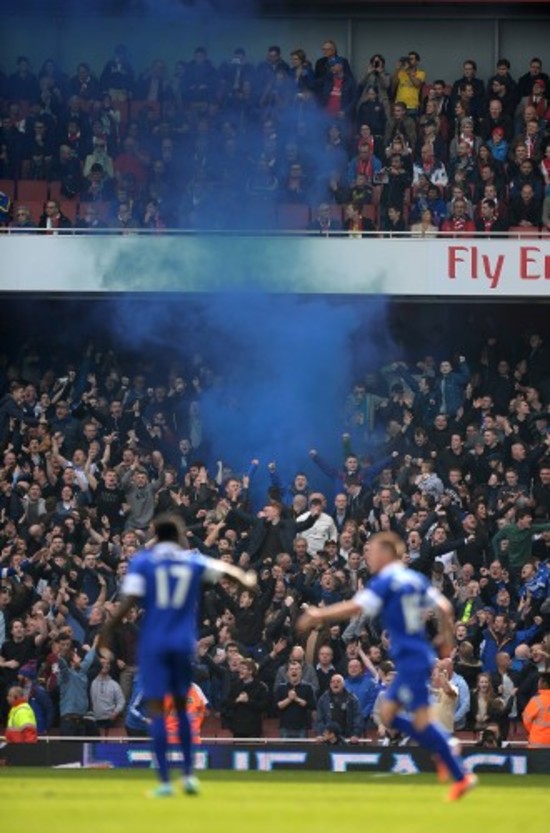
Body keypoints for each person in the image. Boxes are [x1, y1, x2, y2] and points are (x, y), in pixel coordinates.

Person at [297, 531, 477, 801]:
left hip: (412, 659)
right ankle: (445, 750)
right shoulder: (415, 578)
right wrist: (445, 636)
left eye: (371, 552)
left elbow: (355, 607)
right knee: (389, 715)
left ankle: (451, 758)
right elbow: (444, 606)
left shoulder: (386, 580)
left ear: (386, 554)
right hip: (415, 657)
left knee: (415, 720)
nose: (368, 557)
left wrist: (318, 614)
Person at [99, 512, 257, 797]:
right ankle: (187, 776)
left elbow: (127, 603)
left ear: (156, 536)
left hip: (154, 644)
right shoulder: (192, 560)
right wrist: (247, 581)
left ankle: (164, 782)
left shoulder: (143, 562)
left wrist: (106, 631)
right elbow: (229, 572)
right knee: (182, 709)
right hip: (183, 643)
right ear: (179, 536)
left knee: (159, 710)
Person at [522, 673, 550, 747]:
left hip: (537, 745)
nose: (538, 684)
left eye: (539, 681)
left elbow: (526, 720)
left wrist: (533, 731)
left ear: (544, 684)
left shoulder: (536, 701)